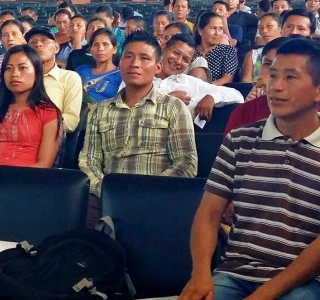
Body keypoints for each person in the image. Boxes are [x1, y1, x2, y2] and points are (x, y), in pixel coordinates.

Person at [173, 38, 320, 300]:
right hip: (237, 273)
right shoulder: (240, 139)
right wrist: (201, 274)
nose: (275, 86)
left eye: (290, 78)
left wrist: (265, 295)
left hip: (306, 282)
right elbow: (209, 213)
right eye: (272, 75)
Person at [79, 31, 197, 227]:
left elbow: (186, 162)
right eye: (129, 56)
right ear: (120, 63)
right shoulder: (99, 110)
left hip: (157, 198)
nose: (135, 63)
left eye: (144, 58)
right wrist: (108, 191)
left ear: (158, 67)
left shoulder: (173, 107)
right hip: (106, 198)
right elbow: (89, 159)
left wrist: (149, 191)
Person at [0, 45, 62, 190]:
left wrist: (3, 181)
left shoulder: (49, 112)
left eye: (22, 68)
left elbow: (44, 164)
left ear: (37, 74)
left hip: (25, 186)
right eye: (8, 69)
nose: (14, 74)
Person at [147, 34, 243, 124]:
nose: (178, 61)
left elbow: (237, 96)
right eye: (175, 53)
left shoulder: (187, 82)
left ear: (189, 65)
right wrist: (166, 101)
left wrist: (212, 97)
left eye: (185, 60)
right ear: (163, 48)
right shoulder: (142, 78)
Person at [223, 37, 290, 134]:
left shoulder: (306, 109)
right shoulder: (244, 111)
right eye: (267, 64)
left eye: (282, 65)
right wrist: (248, 107)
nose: (272, 71)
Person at [26, 26, 83, 133]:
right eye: (33, 42)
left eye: (44, 40)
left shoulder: (69, 78)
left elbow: (71, 120)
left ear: (56, 47)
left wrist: (38, 125)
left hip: (52, 135)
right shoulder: (22, 77)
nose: (38, 44)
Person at [76, 28, 121, 103]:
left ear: (114, 49)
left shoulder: (120, 75)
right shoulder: (81, 70)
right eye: (96, 45)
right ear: (90, 49)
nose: (100, 49)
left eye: (105, 44)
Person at [195, 12, 238, 85]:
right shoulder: (191, 51)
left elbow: (227, 78)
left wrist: (203, 88)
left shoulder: (227, 50)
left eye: (220, 28)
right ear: (200, 30)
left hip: (215, 89)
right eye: (213, 28)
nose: (217, 33)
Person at [241, 13, 281, 83]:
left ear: (281, 28)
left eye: (269, 26)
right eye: (261, 28)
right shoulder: (253, 55)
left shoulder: (292, 53)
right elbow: (246, 82)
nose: (264, 31)